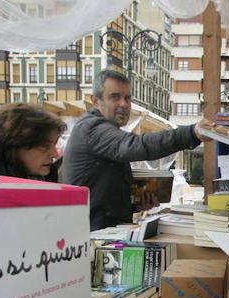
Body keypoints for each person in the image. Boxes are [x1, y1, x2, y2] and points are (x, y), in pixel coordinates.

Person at [62, 69, 214, 231]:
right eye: (115, 97)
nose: (123, 104)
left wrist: (135, 203)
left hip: (101, 231)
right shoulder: (92, 128)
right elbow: (138, 145)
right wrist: (191, 133)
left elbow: (104, 194)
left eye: (127, 98)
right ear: (96, 101)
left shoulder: (100, 131)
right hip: (91, 235)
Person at [0, 103, 65, 182]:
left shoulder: (49, 176)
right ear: (13, 146)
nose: (55, 154)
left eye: (55, 144)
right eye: (44, 145)